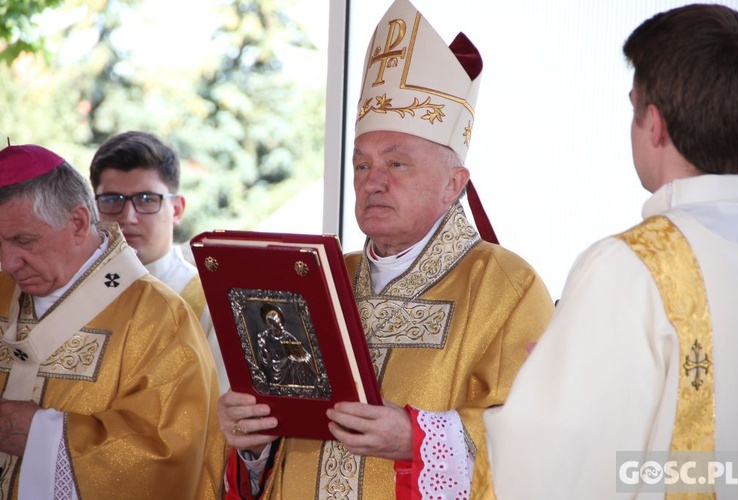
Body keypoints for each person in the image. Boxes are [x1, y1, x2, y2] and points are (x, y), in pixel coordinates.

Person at [217, 0, 554, 498]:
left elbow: (538, 439)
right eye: (361, 165)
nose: (372, 182)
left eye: (396, 164)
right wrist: (253, 442)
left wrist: (418, 439)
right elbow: (282, 439)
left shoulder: (506, 287)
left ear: (453, 184)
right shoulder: (320, 280)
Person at [479, 4, 738, 498]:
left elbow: (553, 470)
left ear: (655, 124)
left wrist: (546, 387)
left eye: (632, 108)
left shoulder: (633, 268)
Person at [0, 143, 226, 498]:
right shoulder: (4, 289)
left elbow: (172, 452)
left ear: (78, 222)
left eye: (23, 241)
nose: (9, 262)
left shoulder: (159, 317)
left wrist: (44, 438)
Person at [89, 131, 229, 393]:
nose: (128, 216)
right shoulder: (73, 291)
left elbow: (218, 413)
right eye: (111, 199)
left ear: (176, 209)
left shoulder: (208, 301)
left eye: (146, 199)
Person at [256, 303, 317, 388]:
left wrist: (301, 359)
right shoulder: (265, 338)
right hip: (274, 372)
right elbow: (265, 362)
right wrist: (263, 349)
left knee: (293, 363)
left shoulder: (287, 337)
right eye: (270, 323)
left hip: (290, 372)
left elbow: (305, 355)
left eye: (275, 323)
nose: (272, 326)